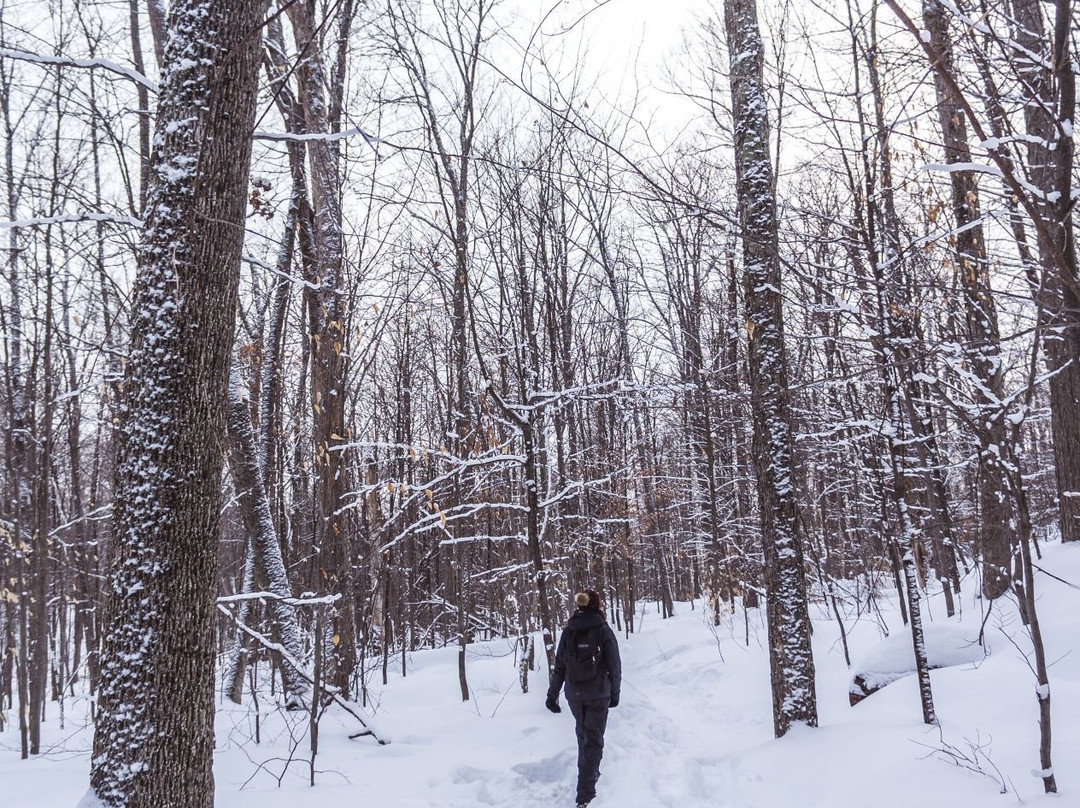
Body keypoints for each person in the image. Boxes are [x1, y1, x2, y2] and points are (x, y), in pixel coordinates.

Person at [545, 589, 622, 808]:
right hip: (598, 694)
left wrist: (553, 695)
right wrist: (614, 694)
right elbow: (615, 665)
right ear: (596, 605)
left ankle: (590, 774)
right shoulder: (603, 629)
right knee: (594, 740)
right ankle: (585, 793)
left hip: (574, 694)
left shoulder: (569, 631)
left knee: (584, 735)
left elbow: (559, 665)